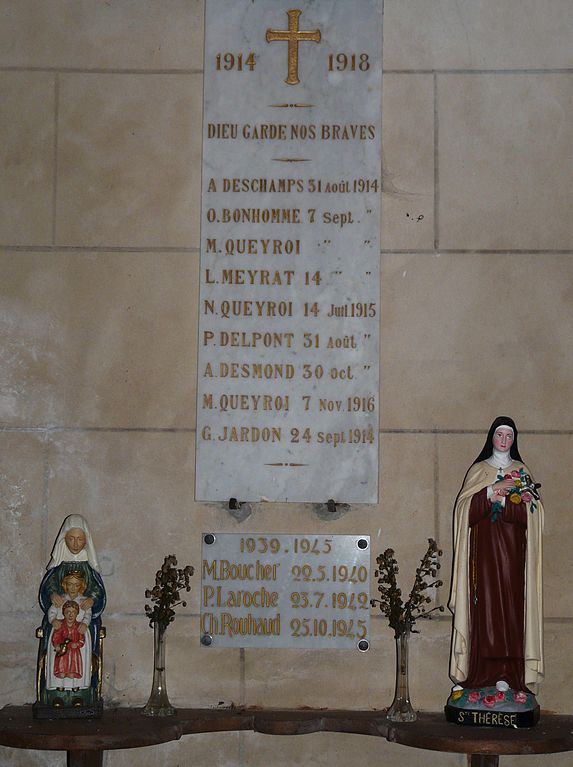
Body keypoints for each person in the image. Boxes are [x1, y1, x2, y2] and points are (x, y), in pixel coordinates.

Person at [449, 417, 543, 694]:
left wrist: (506, 501)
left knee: (511, 613)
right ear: (492, 437)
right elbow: (463, 510)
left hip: (513, 559)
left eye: (509, 436)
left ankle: (509, 675)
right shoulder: (479, 470)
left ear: (514, 440)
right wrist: (488, 493)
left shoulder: (521, 471)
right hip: (484, 558)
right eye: (499, 434)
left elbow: (534, 517)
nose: (504, 440)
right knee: (485, 612)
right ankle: (480, 675)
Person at [37, 515, 106, 707]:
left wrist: (91, 599)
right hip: (59, 618)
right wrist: (52, 595)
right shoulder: (59, 564)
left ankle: (83, 691)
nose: (75, 543)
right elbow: (49, 586)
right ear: (64, 538)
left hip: (84, 619)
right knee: (53, 636)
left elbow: (97, 590)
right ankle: (54, 693)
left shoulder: (88, 565)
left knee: (87, 637)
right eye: (71, 538)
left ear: (87, 540)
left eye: (80, 539)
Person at [46, 572, 93, 691]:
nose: (73, 588)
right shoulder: (60, 599)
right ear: (65, 585)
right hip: (61, 631)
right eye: (70, 584)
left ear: (81, 586)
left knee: (76, 663)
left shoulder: (84, 601)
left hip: (79, 632)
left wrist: (84, 623)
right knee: (60, 660)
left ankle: (77, 686)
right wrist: (53, 620)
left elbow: (88, 614)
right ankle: (59, 685)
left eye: (76, 585)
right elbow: (52, 612)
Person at [51, 601, 86, 686]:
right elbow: (55, 637)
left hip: (74, 653)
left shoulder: (78, 626)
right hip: (63, 653)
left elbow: (82, 640)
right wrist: (57, 645)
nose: (70, 615)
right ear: (63, 613)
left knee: (72, 673)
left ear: (77, 614)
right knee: (62, 673)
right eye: (68, 612)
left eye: (73, 612)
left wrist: (77, 644)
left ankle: (75, 687)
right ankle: (60, 686)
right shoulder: (61, 625)